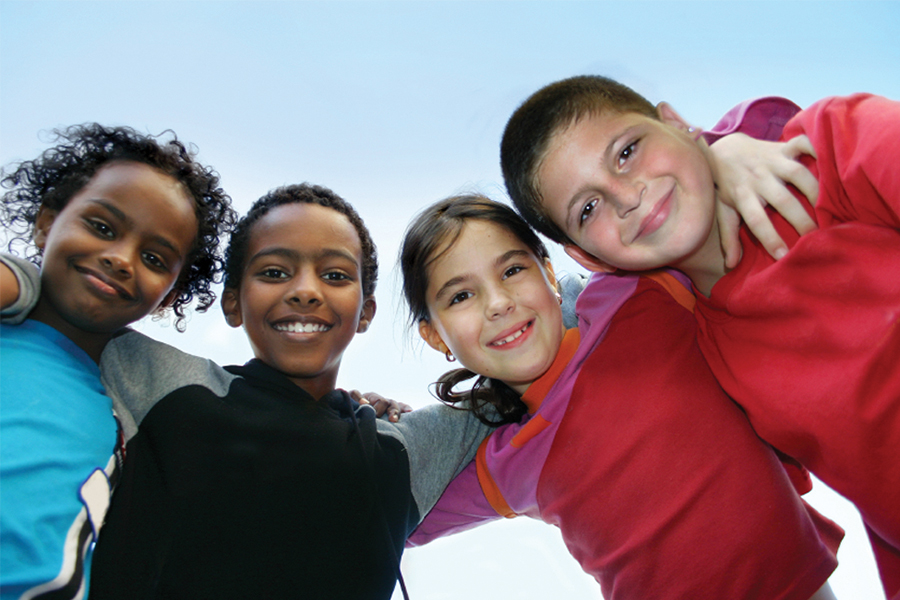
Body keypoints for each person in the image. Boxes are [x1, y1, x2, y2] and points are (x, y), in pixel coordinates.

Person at [500, 75, 900, 597]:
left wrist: (719, 146)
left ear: (677, 123)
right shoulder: (703, 346)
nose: (627, 196)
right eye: (588, 209)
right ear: (587, 258)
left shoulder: (825, 149)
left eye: (626, 152)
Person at [31, 183, 488, 599]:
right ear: (233, 302)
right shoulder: (161, 382)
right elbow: (52, 295)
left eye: (335, 276)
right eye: (274, 272)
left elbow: (546, 334)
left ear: (365, 311)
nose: (306, 291)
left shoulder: (400, 450)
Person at [400, 194, 843, 600]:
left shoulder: (637, 296)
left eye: (513, 270)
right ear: (435, 336)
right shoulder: (503, 464)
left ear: (549, 272)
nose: (498, 303)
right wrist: (357, 417)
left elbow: (702, 203)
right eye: (461, 295)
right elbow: (381, 514)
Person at [0, 123, 235, 600]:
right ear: (47, 223)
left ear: (169, 295)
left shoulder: (133, 412)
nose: (122, 259)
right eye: (102, 228)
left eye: (154, 257)